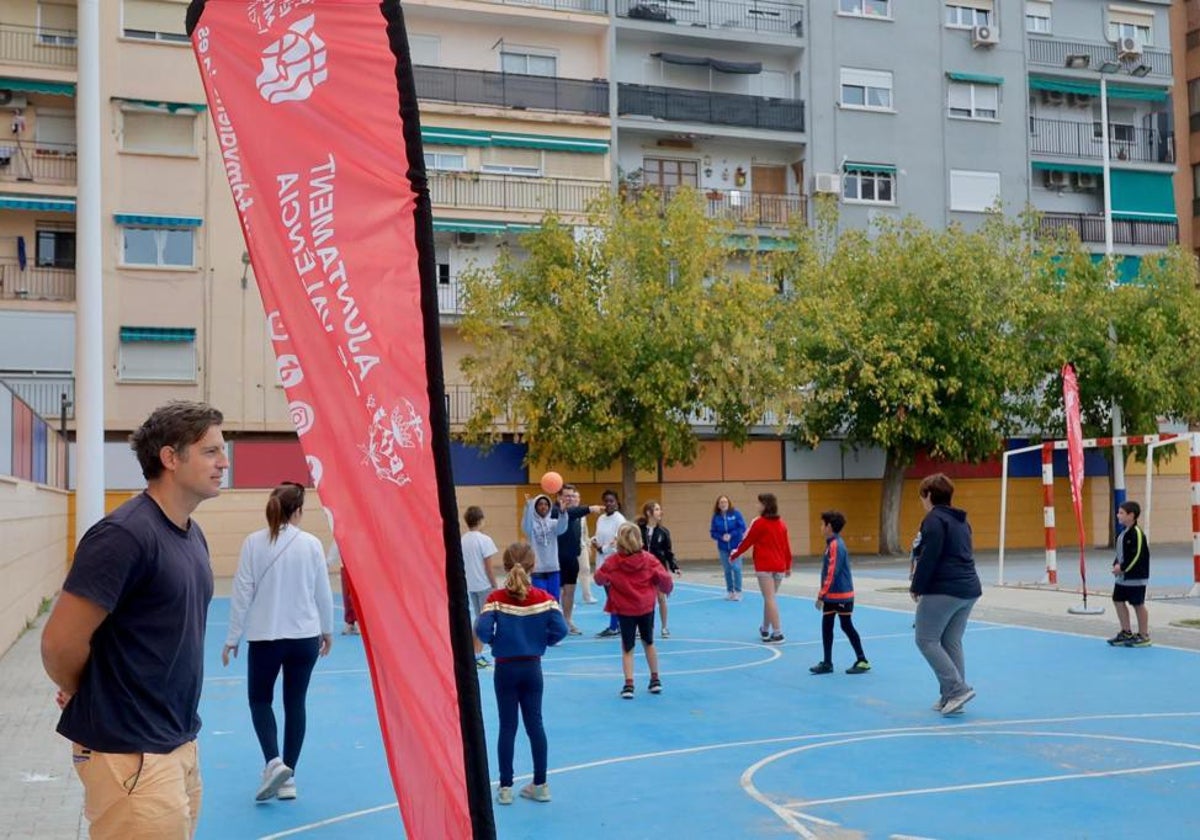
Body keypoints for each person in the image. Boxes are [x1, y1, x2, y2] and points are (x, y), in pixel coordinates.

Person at [41, 401, 228, 839]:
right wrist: (83, 689)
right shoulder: (124, 536)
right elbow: (58, 643)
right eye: (211, 451)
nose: (224, 462)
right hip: (132, 753)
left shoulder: (190, 534)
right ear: (170, 457)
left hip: (176, 744)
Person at [223, 482, 334, 802]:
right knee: (295, 703)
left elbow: (242, 593)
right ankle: (288, 778)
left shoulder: (253, 543)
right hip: (304, 639)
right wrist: (326, 630)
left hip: (265, 638)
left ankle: (273, 762)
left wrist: (232, 638)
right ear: (298, 510)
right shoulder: (311, 544)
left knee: (260, 700)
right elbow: (322, 592)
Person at [475, 543, 569, 805]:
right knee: (535, 725)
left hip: (505, 668)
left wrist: (497, 641)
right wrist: (542, 641)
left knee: (507, 727)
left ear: (505, 566)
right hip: (532, 668)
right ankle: (541, 784)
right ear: (533, 565)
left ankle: (505, 788)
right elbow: (560, 630)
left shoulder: (495, 599)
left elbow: (481, 631)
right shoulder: (545, 599)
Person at [910, 473, 983, 717]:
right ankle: (951, 697)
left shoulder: (933, 520)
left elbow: (929, 556)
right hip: (969, 589)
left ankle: (956, 690)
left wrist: (917, 586)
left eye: (922, 495)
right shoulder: (961, 521)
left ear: (929, 495)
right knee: (951, 640)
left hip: (944, 588)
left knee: (925, 639)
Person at [593, 523, 675, 699]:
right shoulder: (649, 559)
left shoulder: (613, 562)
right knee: (649, 642)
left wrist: (608, 580)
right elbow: (665, 578)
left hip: (625, 609)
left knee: (627, 647)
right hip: (645, 606)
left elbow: (599, 579)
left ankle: (629, 684)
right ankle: (655, 679)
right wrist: (666, 588)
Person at [809, 511, 870, 675]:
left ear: (829, 526)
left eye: (822, 524)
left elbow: (832, 572)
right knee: (827, 625)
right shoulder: (831, 544)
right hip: (833, 595)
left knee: (846, 625)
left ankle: (862, 659)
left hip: (840, 595)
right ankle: (827, 662)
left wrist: (821, 594)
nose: (820, 527)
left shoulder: (836, 545)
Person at [729, 492, 793, 644]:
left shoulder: (760, 523)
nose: (756, 505)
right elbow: (786, 547)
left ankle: (777, 633)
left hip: (765, 565)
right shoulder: (782, 524)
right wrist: (788, 565)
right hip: (779, 566)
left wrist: (734, 554)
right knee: (769, 599)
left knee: (769, 598)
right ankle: (765, 629)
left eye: (759, 503)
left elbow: (747, 541)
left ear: (765, 505)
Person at [553, 485, 602, 635]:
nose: (570, 499)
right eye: (567, 496)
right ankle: (554, 623)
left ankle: (567, 620)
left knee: (570, 591)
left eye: (572, 496)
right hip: (555, 559)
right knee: (555, 593)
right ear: (559, 498)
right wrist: (590, 508)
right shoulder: (556, 511)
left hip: (572, 558)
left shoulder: (577, 515)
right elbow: (568, 513)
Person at [1108, 500, 1152, 647]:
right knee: (1117, 600)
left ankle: (1143, 635)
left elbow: (1137, 555)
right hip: (1122, 577)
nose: (1118, 515)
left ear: (1131, 515)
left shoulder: (1137, 533)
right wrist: (1116, 564)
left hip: (1136, 577)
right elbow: (1121, 553)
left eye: (1121, 513)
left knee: (1138, 604)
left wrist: (1123, 568)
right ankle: (1126, 631)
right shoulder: (1123, 533)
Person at [461, 506, 501, 666]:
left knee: (478, 618)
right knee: (482, 620)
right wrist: (494, 584)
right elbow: (488, 566)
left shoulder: (463, 539)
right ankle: (476, 654)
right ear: (481, 520)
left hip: (470, 584)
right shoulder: (484, 540)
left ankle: (474, 653)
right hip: (483, 584)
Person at [639, 501, 681, 637]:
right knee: (643, 599)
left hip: (658, 569)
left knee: (661, 598)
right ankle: (643, 628)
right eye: (657, 509)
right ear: (648, 513)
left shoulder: (663, 532)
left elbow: (668, 552)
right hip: (642, 569)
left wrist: (674, 567)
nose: (660, 512)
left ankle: (664, 627)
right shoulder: (639, 530)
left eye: (659, 509)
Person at [522, 493, 569, 602]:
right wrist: (528, 507)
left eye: (546, 504)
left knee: (554, 599)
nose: (543, 507)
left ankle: (553, 618)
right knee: (540, 600)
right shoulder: (531, 526)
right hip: (537, 569)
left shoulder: (553, 524)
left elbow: (562, 528)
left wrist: (562, 513)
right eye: (540, 504)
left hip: (553, 568)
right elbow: (526, 525)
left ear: (549, 507)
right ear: (535, 507)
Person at [592, 489, 626, 637]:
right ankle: (617, 624)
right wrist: (593, 541)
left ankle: (615, 626)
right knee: (610, 595)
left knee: (614, 596)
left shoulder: (620, 520)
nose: (608, 504)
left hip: (614, 563)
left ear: (617, 503)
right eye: (606, 501)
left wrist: (603, 548)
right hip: (602, 562)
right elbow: (599, 535)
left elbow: (619, 541)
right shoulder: (601, 519)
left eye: (611, 501)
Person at [710, 495, 748, 601]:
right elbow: (713, 533)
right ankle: (730, 591)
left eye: (725, 502)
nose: (723, 504)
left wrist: (731, 535)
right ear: (718, 505)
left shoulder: (736, 514)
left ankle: (738, 591)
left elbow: (742, 528)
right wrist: (721, 537)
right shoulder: (716, 517)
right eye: (721, 502)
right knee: (727, 570)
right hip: (723, 547)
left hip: (736, 546)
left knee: (736, 568)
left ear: (729, 503)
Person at [326, 540, 359, 635]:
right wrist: (328, 562)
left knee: (358, 596)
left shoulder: (362, 531)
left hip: (360, 566)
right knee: (347, 596)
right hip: (346, 566)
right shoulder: (342, 531)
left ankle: (358, 622)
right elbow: (336, 546)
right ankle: (350, 622)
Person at [578, 503, 598, 604]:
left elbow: (585, 532)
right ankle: (567, 598)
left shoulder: (582, 516)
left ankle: (587, 595)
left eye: (577, 498)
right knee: (568, 574)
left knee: (586, 569)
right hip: (568, 548)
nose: (575, 499)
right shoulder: (565, 513)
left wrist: (588, 545)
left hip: (582, 546)